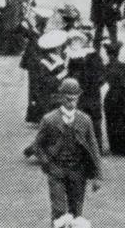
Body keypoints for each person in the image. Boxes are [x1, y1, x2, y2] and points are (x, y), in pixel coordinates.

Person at [33, 77, 102, 218]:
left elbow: (93, 147)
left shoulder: (85, 120)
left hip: (78, 171)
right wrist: (46, 163)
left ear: (78, 98)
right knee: (58, 210)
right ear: (61, 98)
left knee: (76, 210)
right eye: (67, 99)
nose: (71, 102)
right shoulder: (49, 120)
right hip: (56, 170)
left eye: (74, 99)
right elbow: (37, 145)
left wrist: (97, 175)